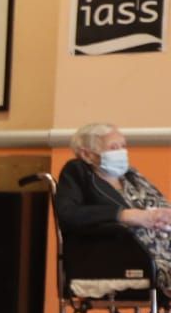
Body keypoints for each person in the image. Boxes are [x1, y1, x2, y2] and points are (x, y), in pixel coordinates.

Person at [54, 122, 171, 296]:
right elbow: (68, 214)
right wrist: (122, 215)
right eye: (113, 147)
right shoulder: (77, 172)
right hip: (119, 256)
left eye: (123, 146)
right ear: (87, 154)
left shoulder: (131, 176)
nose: (121, 152)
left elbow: (160, 205)